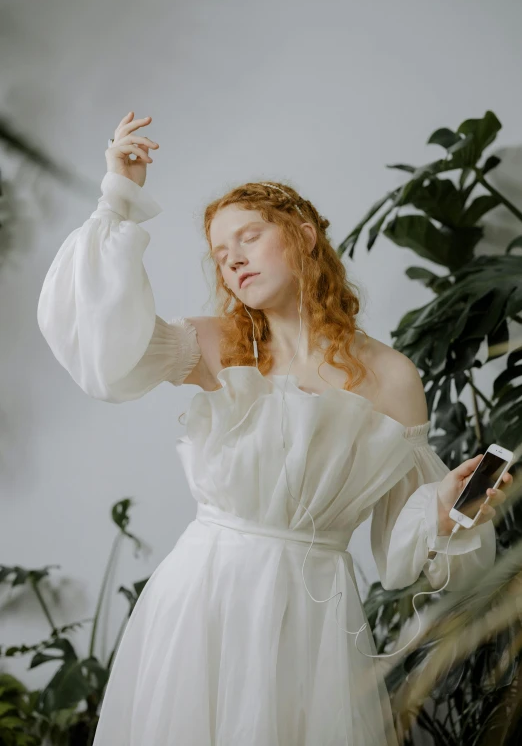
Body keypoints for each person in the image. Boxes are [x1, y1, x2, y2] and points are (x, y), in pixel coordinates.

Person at [37, 111, 509, 745]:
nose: (232, 262)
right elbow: (99, 350)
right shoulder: (213, 342)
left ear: (304, 235)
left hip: (311, 625)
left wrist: (458, 507)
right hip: (201, 601)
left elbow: (399, 550)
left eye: (249, 238)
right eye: (220, 255)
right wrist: (117, 199)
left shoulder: (393, 377)